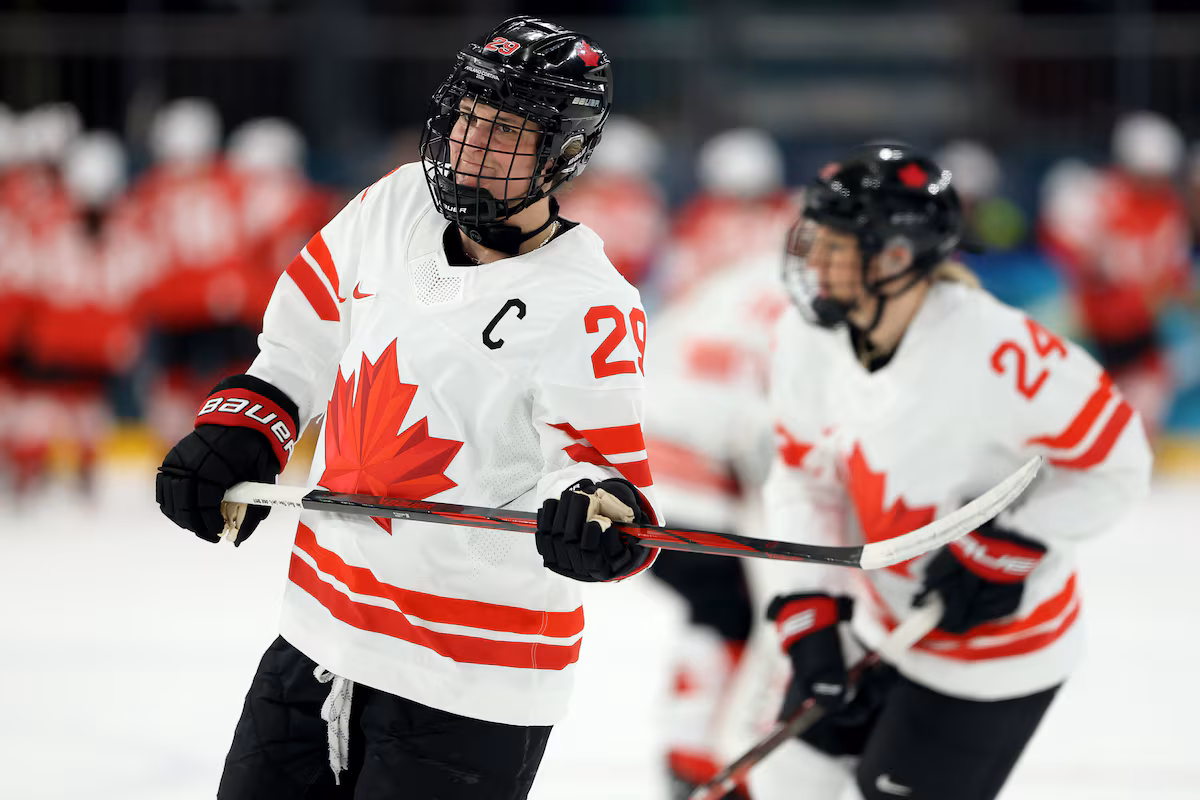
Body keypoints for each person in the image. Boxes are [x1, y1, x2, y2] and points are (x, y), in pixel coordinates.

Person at [155, 16, 663, 799]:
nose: (466, 143)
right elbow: (300, 345)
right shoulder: (394, 206)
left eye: (500, 132)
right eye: (466, 116)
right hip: (317, 632)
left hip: (469, 680)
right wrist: (243, 427)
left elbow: (601, 478)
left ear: (562, 152)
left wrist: (599, 520)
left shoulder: (591, 305)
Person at [750, 144, 1152, 800]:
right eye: (812, 236)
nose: (811, 260)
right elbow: (806, 479)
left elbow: (1119, 464)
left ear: (897, 257)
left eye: (835, 244)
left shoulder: (998, 353)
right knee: (792, 776)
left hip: (995, 656)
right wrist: (810, 605)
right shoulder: (806, 340)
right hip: (882, 622)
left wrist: (1012, 544)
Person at [641, 245, 788, 798]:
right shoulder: (806, 300)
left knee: (714, 615)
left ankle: (690, 752)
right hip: (708, 482)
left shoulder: (728, 277)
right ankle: (711, 761)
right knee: (751, 621)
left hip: (652, 476)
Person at [1040, 111, 1192, 441]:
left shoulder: (1168, 212)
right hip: (1088, 326)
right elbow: (1062, 244)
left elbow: (1170, 275)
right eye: (1146, 174)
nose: (1153, 183)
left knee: (1144, 407)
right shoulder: (1096, 197)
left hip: (1136, 332)